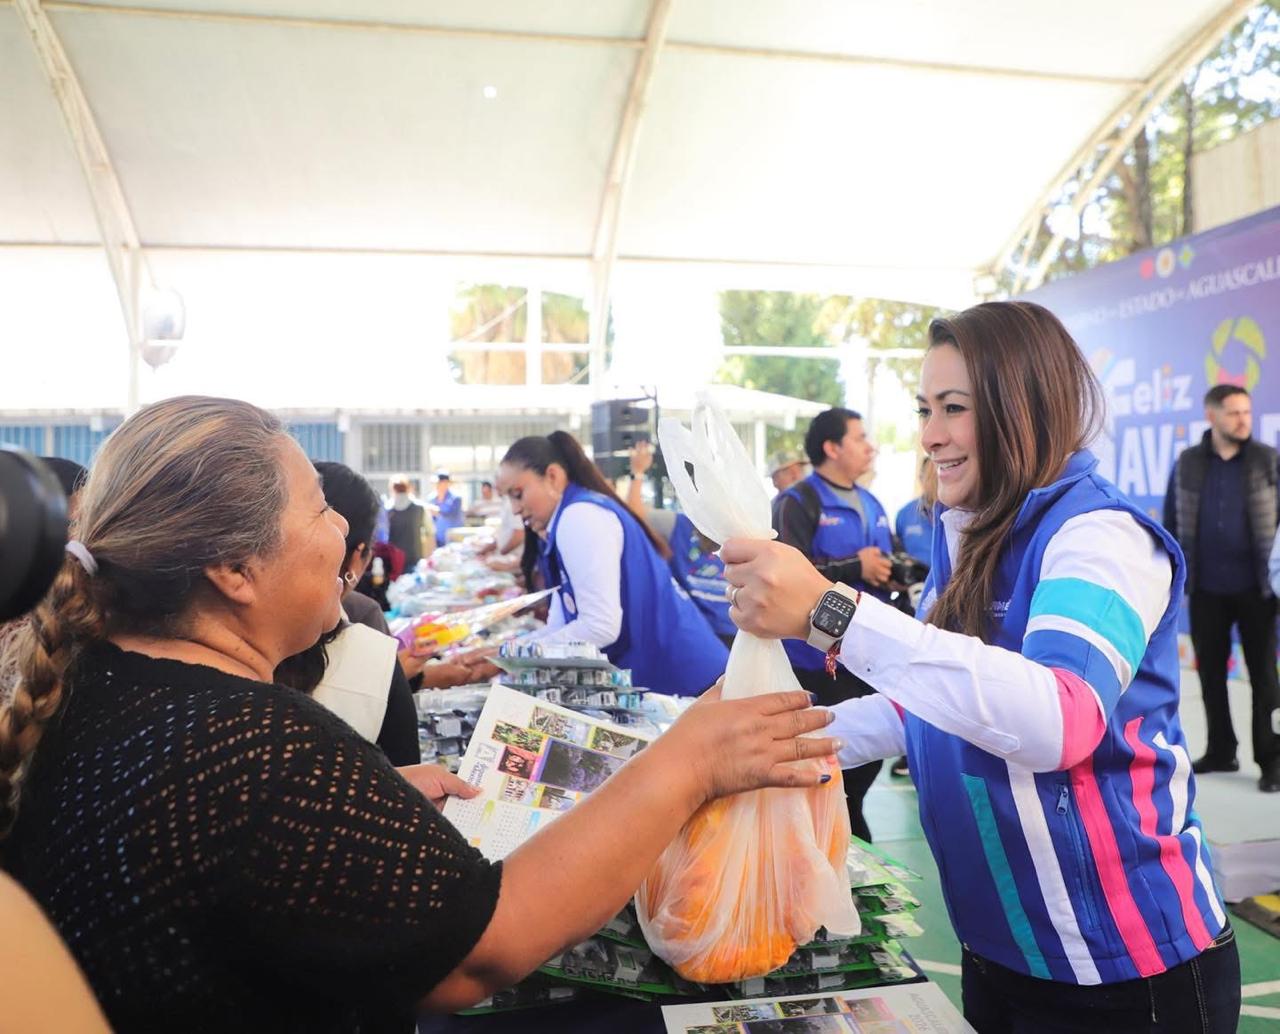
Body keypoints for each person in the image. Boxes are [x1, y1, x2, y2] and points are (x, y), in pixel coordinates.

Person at [0, 395, 838, 1032]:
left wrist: (363, 802)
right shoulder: (258, 747)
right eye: (318, 509)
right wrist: (685, 764)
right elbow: (482, 949)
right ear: (233, 569)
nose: (342, 529)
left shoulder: (94, 681)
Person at [723, 302, 1240, 1034]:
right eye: (925, 409)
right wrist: (774, 743)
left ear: (1022, 406)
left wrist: (829, 611)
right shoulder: (969, 535)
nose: (930, 435)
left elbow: (1060, 718)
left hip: (1123, 973)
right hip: (1001, 953)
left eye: (954, 408)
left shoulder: (1100, 537)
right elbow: (932, 700)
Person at [498, 431, 729, 695]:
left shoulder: (579, 517)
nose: (514, 509)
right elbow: (559, 625)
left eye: (517, 494)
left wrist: (518, 657)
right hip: (679, 671)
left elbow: (600, 626)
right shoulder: (572, 516)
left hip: (686, 677)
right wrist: (507, 652)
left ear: (552, 476)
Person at [771, 407, 893, 841]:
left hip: (866, 658)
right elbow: (786, 574)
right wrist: (854, 566)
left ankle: (850, 845)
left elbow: (883, 565)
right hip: (814, 663)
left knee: (862, 771)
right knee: (820, 774)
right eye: (860, 438)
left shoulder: (873, 503)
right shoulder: (797, 502)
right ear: (832, 447)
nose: (870, 447)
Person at [1162, 385, 1280, 793]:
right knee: (1210, 673)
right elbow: (1172, 520)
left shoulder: (1267, 459)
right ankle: (1220, 750)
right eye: (1233, 412)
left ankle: (1272, 760)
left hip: (1258, 590)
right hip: (1206, 588)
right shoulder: (1189, 463)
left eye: (1246, 411)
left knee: (1264, 678)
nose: (1243, 419)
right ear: (1211, 416)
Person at [387, 475, 428, 571]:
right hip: (414, 557)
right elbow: (429, 533)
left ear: (393, 490)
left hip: (394, 559)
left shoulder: (387, 510)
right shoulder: (419, 508)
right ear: (408, 488)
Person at [429, 472, 464, 548]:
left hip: (453, 539)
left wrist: (438, 511)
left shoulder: (455, 498)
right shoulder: (432, 498)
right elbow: (432, 519)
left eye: (439, 482)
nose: (437, 485)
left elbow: (451, 513)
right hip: (438, 537)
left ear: (446, 482)